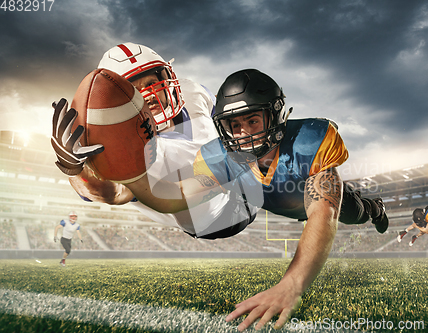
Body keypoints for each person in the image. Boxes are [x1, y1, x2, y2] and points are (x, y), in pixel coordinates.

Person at [125, 69, 389, 331]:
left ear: (275, 115)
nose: (243, 133)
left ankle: (374, 208)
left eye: (252, 121)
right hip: (283, 202)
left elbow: (324, 213)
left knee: (353, 212)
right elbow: (177, 197)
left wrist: (292, 284)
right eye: (235, 125)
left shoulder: (310, 140)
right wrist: (128, 177)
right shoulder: (218, 156)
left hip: (316, 198)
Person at [51, 42, 256, 238]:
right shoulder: (126, 151)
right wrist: (75, 170)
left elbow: (221, 111)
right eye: (136, 90)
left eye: (152, 83)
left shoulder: (192, 92)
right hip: (214, 221)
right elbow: (110, 193)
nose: (149, 94)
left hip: (242, 188)